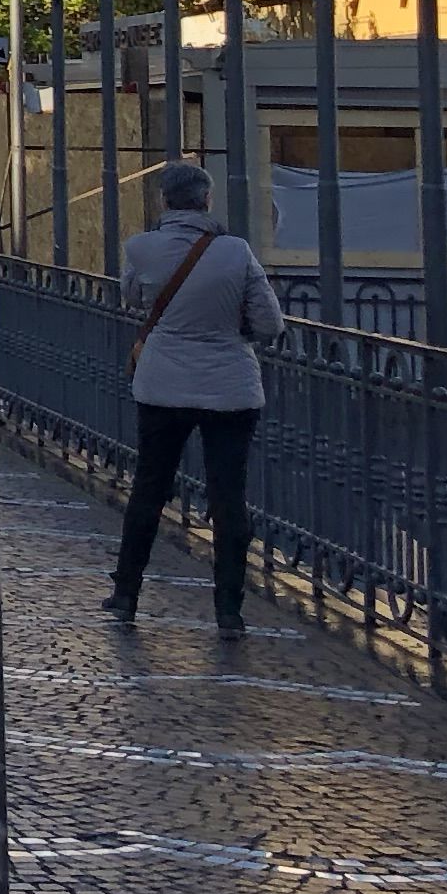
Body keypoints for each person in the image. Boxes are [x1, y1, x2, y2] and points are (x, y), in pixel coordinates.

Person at [103, 162, 285, 634]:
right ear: (207, 201)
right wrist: (232, 330)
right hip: (230, 389)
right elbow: (269, 323)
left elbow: (131, 299)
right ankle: (229, 609)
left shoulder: (140, 248)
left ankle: (125, 594)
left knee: (149, 486)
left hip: (162, 385)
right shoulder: (236, 252)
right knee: (229, 496)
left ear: (164, 201)